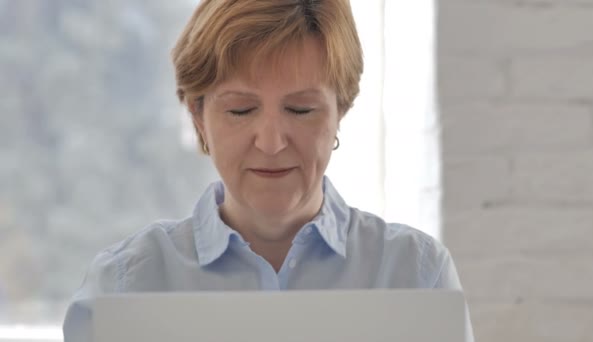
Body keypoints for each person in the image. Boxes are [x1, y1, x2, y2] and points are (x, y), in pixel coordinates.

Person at [63, 0, 474, 341]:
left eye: (301, 110)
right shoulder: (123, 284)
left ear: (340, 112)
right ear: (199, 117)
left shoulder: (415, 273)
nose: (272, 142)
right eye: (241, 110)